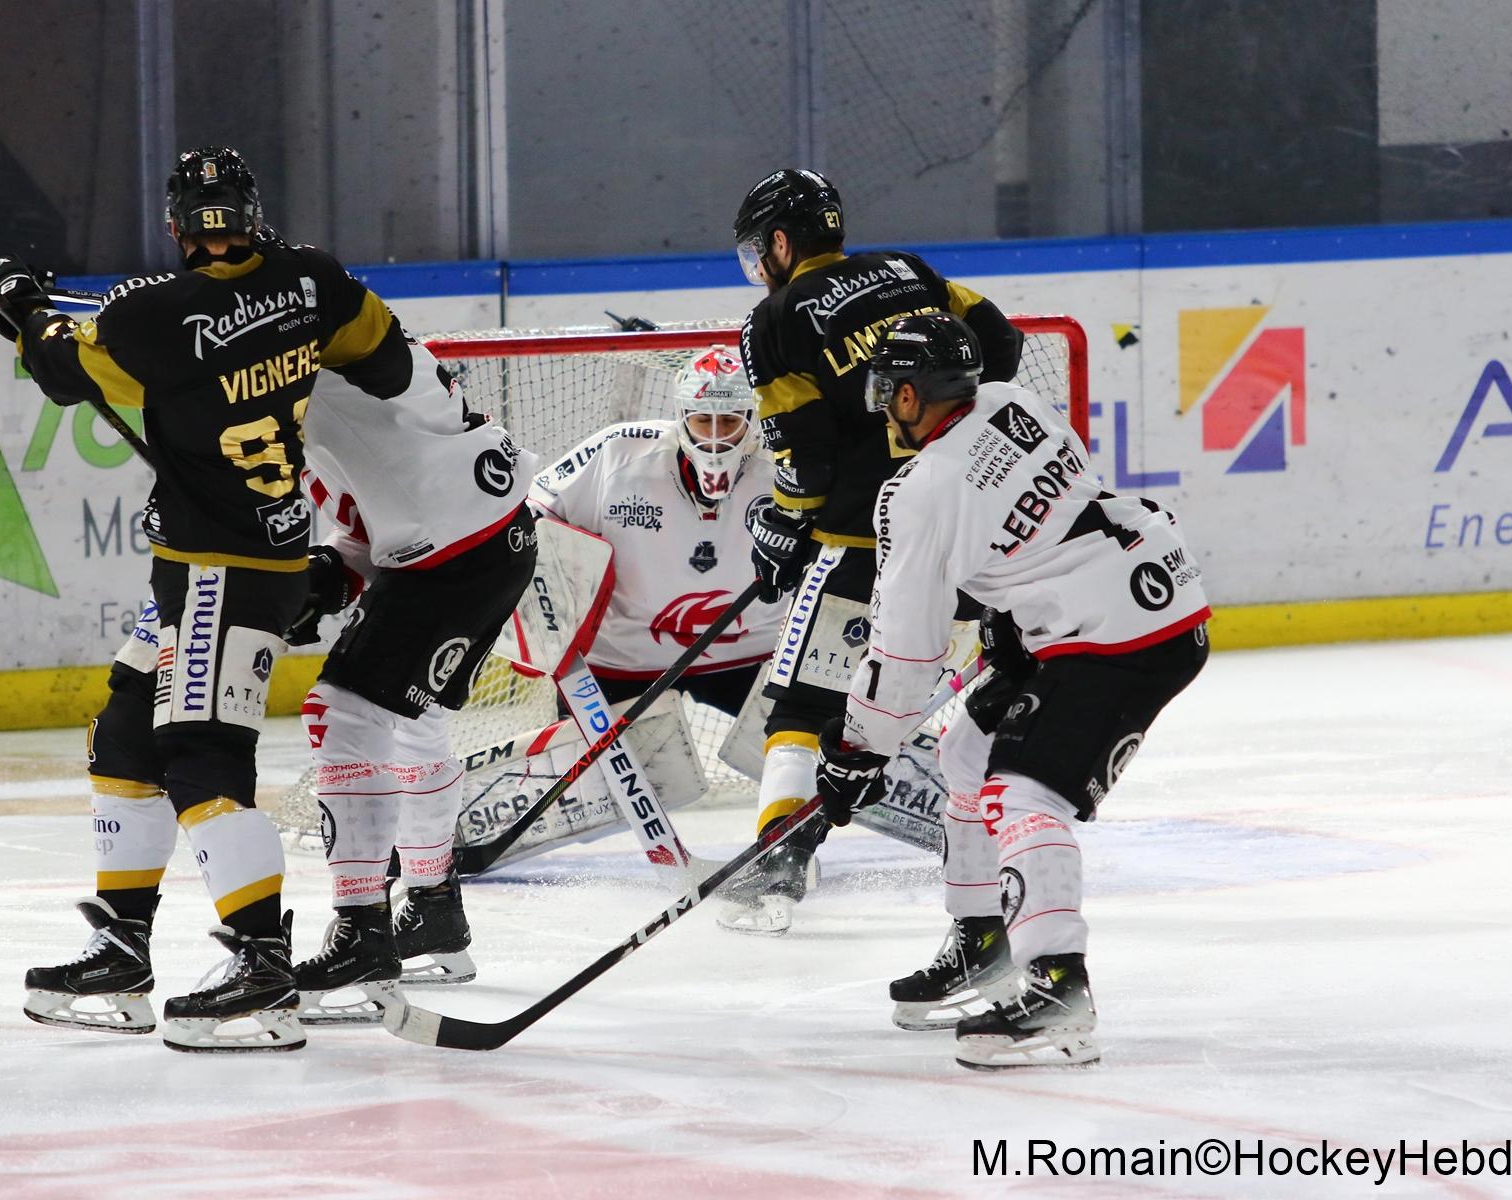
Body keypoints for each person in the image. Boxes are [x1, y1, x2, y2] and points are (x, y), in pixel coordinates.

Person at [5, 146, 413, 1052]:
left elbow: (63, 368)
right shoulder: (311, 280)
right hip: (230, 562)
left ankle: (263, 969)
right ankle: (123, 946)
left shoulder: (152, 311)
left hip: (219, 571)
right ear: (252, 214)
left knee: (199, 754)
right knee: (124, 731)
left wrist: (23, 307)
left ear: (179, 225)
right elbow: (385, 362)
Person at [812, 312, 1210, 1069]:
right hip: (1123, 593)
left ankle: (1059, 987)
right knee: (966, 752)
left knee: (1026, 794)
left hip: (1119, 637)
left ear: (908, 397)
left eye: (886, 389)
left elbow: (907, 650)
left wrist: (858, 749)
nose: (879, 403)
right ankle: (982, 943)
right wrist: (1011, 618)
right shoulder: (1015, 404)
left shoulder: (917, 492)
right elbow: (1039, 525)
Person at [723, 168, 1025, 934]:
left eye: (761, 250)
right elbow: (1002, 346)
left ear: (782, 243)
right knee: (988, 699)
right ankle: (1008, 859)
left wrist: (785, 525)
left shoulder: (776, 319)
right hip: (978, 528)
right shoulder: (909, 270)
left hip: (862, 539)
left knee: (803, 704)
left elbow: (804, 454)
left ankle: (779, 867)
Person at [286, 338, 538, 1024]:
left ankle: (361, 935)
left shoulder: (310, 368)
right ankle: (432, 911)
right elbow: (378, 517)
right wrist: (329, 576)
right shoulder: (350, 372)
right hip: (486, 540)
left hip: (451, 556)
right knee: (413, 718)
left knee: (338, 711)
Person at [527, 345, 784, 715]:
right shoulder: (619, 450)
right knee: (595, 773)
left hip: (750, 656)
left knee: (806, 758)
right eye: (702, 420)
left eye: (728, 421)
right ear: (681, 417)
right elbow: (537, 504)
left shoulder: (781, 469)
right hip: (624, 659)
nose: (715, 436)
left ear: (749, 419)